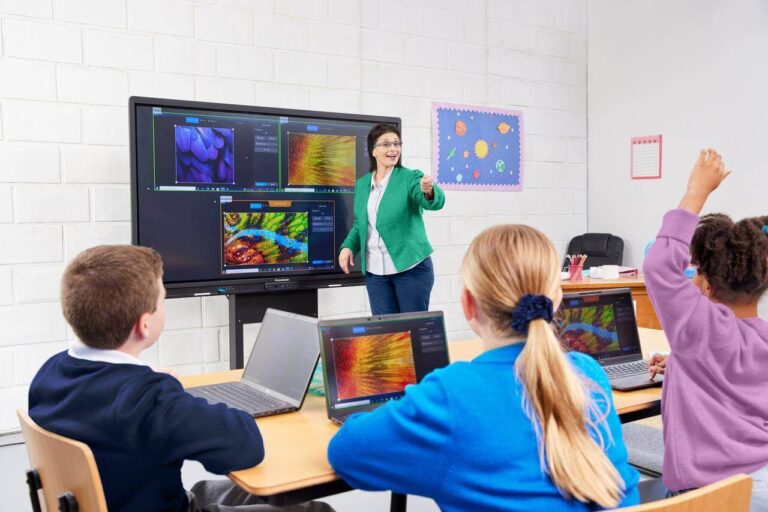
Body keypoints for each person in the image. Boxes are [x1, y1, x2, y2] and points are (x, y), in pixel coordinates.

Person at [328, 225, 639, 511]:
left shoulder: (452, 394)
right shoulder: (588, 374)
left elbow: (345, 452)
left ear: (468, 305)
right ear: (556, 301)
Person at [28, 245, 333, 512]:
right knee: (315, 510)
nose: (165, 304)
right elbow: (247, 447)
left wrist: (147, 381)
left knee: (250, 490)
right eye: (163, 298)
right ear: (144, 326)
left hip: (122, 499)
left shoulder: (50, 374)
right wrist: (169, 393)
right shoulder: (149, 400)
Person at [643, 149, 768, 509]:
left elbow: (659, 267)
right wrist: (682, 362)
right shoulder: (703, 342)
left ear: (709, 285)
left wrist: (697, 190)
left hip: (709, 495)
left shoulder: (701, 331)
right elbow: (733, 372)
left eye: (697, 270)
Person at [338, 123, 445, 315]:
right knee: (387, 335)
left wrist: (429, 191)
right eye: (386, 144)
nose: (393, 149)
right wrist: (348, 247)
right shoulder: (362, 185)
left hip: (411, 269)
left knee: (413, 331)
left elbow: (432, 202)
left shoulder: (410, 178)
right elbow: (360, 224)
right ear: (373, 151)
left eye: (396, 144)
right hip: (375, 274)